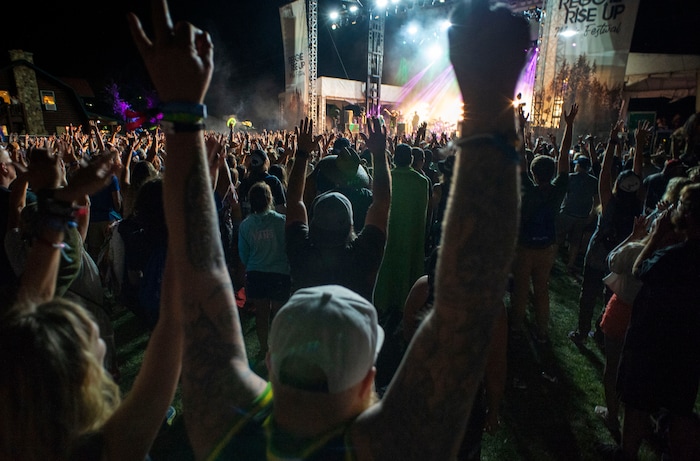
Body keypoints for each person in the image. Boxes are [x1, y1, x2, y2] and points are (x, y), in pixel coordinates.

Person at [127, 0, 527, 459]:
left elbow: (201, 277)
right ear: (370, 379)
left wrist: (181, 113)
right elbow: (469, 303)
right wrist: (485, 107)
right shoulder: (389, 446)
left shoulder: (229, 431)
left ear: (271, 362)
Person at [0, 149, 181, 461]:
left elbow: (34, 302)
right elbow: (171, 333)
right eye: (89, 334)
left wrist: (63, 194)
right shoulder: (119, 445)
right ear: (85, 375)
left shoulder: (27, 436)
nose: (96, 333)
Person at [602, 183, 700, 461]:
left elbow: (640, 268)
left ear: (690, 215)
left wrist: (655, 235)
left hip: (653, 338)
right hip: (689, 344)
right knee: (678, 406)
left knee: (638, 402)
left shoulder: (675, 255)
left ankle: (627, 452)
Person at [568, 120, 652, 344]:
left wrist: (613, 141)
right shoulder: (637, 204)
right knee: (610, 297)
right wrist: (639, 145)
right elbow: (637, 173)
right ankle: (602, 332)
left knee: (588, 294)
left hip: (598, 254)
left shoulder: (609, 202)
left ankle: (583, 332)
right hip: (622, 257)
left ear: (617, 185)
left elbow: (604, 172)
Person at [509, 105, 576, 343]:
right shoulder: (558, 190)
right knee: (542, 288)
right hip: (548, 247)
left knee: (520, 289)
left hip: (525, 246)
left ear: (534, 173)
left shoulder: (527, 186)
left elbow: (519, 156)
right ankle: (542, 331)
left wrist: (521, 125)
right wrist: (569, 125)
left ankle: (516, 328)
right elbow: (565, 153)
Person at [238, 181, 290, 360]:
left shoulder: (246, 225)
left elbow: (243, 254)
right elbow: (287, 246)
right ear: (270, 199)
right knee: (278, 314)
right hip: (279, 272)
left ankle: (263, 348)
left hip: (256, 273)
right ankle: (279, 348)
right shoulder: (281, 221)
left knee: (261, 315)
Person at [556, 153, 599, 275]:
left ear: (579, 166)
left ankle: (550, 260)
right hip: (582, 216)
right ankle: (570, 265)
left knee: (558, 238)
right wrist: (591, 214)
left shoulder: (571, 177)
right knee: (575, 242)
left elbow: (563, 193)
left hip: (567, 212)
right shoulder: (594, 181)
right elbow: (596, 200)